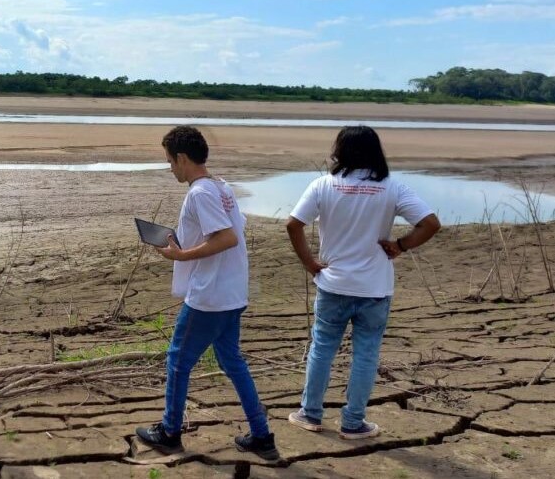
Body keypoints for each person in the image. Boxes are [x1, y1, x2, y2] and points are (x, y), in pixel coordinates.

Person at [286, 125, 440, 439]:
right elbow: (430, 224)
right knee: (366, 354)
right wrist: (401, 245)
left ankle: (310, 413)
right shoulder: (391, 187)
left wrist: (311, 263)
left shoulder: (324, 185)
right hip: (374, 287)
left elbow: (293, 224)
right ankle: (353, 422)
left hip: (333, 284)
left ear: (339, 151)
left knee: (322, 350)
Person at [135, 125, 279, 461]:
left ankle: (170, 432)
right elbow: (227, 233)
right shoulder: (221, 186)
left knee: (178, 360)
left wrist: (180, 255)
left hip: (210, 296)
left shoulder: (200, 192)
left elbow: (226, 238)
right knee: (232, 361)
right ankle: (262, 436)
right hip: (231, 292)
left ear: (183, 159)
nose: (170, 168)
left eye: (170, 162)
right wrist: (183, 245)